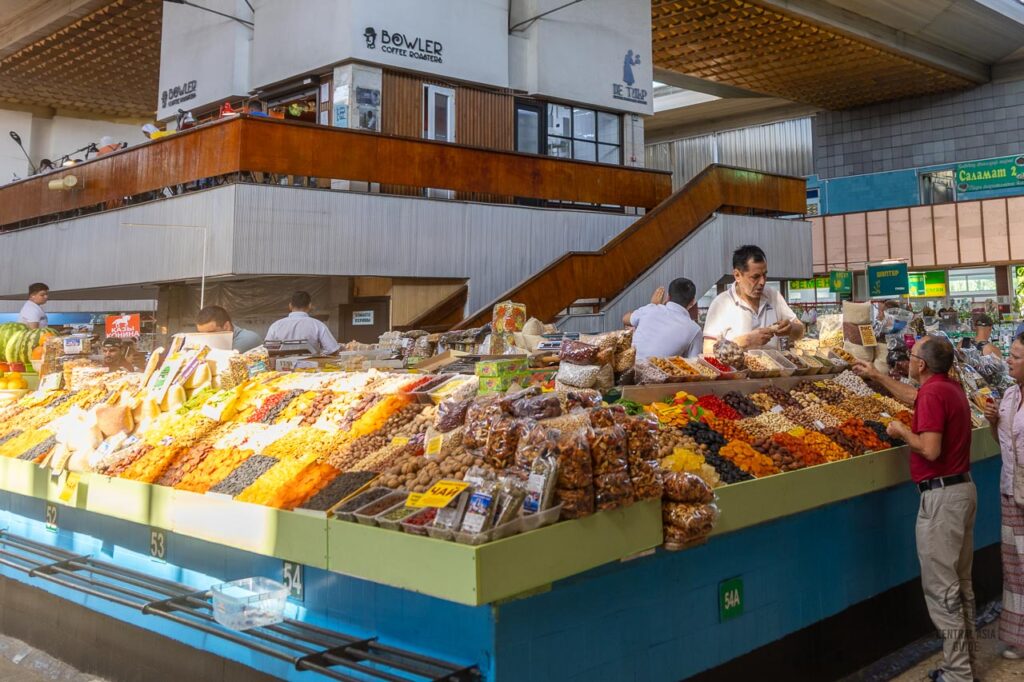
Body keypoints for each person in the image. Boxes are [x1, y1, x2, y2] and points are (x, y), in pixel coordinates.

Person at [854, 337, 977, 682]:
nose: (906, 361)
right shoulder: (947, 388)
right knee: (961, 584)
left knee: (942, 591)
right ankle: (966, 662)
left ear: (920, 365)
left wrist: (901, 430)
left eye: (910, 357)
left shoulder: (934, 394)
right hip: (963, 490)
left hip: (941, 499)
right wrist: (877, 378)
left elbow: (930, 448)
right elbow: (916, 397)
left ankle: (957, 674)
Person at [984, 332, 1024, 660]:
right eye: (1010, 354)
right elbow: (1006, 446)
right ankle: (1020, 637)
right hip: (1011, 491)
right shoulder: (1009, 395)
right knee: (1015, 566)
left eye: (1016, 356)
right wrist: (992, 421)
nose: (1008, 360)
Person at [702, 245, 804, 354]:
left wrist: (790, 328)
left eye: (764, 275)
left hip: (773, 369)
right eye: (755, 277)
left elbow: (801, 331)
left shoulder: (774, 296)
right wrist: (746, 341)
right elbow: (708, 351)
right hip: (738, 370)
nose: (762, 282)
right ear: (737, 275)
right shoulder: (721, 303)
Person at [622, 278, 702, 360]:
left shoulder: (651, 309)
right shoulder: (695, 330)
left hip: (628, 366)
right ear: (692, 301)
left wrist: (653, 305)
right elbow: (694, 364)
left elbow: (625, 318)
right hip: (660, 371)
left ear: (668, 296)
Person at [265, 291, 341, 356]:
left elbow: (266, 350)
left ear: (290, 306)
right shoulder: (317, 325)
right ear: (310, 306)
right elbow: (333, 350)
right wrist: (320, 353)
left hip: (281, 371)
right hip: (310, 370)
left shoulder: (276, 325)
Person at [196, 305, 263, 353]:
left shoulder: (248, 339)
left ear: (226, 326)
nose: (205, 337)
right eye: (201, 334)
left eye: (210, 333)